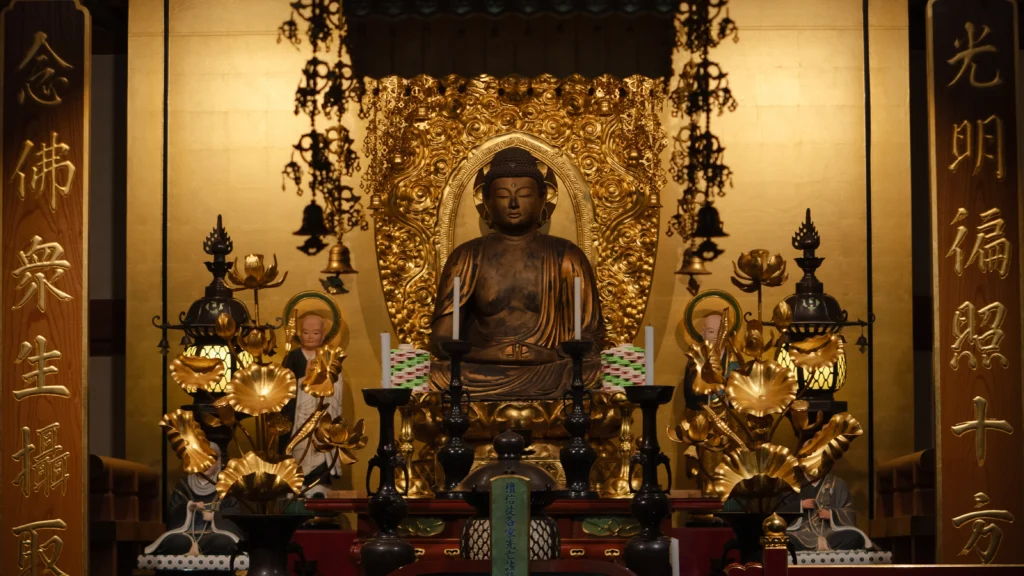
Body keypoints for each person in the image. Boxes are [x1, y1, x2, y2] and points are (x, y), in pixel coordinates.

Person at [428, 146, 606, 399]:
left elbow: (591, 336)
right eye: (502, 196)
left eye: (523, 194)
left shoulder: (567, 256)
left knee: (596, 372)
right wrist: (488, 354)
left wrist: (551, 354)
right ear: (487, 200)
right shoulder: (466, 256)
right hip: (483, 369)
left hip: (550, 367)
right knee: (434, 375)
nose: (513, 203)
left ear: (543, 197)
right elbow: (441, 338)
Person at [280, 312, 343, 497]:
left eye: (315, 333)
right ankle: (295, 487)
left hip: (321, 414)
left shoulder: (330, 355)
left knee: (319, 448)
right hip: (297, 415)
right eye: (306, 332)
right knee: (297, 451)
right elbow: (283, 386)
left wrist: (324, 382)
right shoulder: (292, 357)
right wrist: (304, 380)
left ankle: (319, 487)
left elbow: (338, 383)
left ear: (323, 335)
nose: (310, 336)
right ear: (299, 333)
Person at [144, 444, 243, 556]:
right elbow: (172, 513)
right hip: (186, 534)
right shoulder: (183, 485)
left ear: (219, 462)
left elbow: (234, 514)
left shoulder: (226, 486)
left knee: (223, 543)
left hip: (214, 535)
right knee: (175, 543)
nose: (206, 464)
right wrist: (189, 508)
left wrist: (213, 517)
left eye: (211, 459)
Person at [782, 472, 872, 551]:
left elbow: (849, 511)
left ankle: (825, 545)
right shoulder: (793, 483)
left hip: (831, 533)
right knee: (783, 539)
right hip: (802, 533)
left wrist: (832, 515)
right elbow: (779, 512)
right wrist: (800, 505)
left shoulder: (837, 483)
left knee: (854, 536)